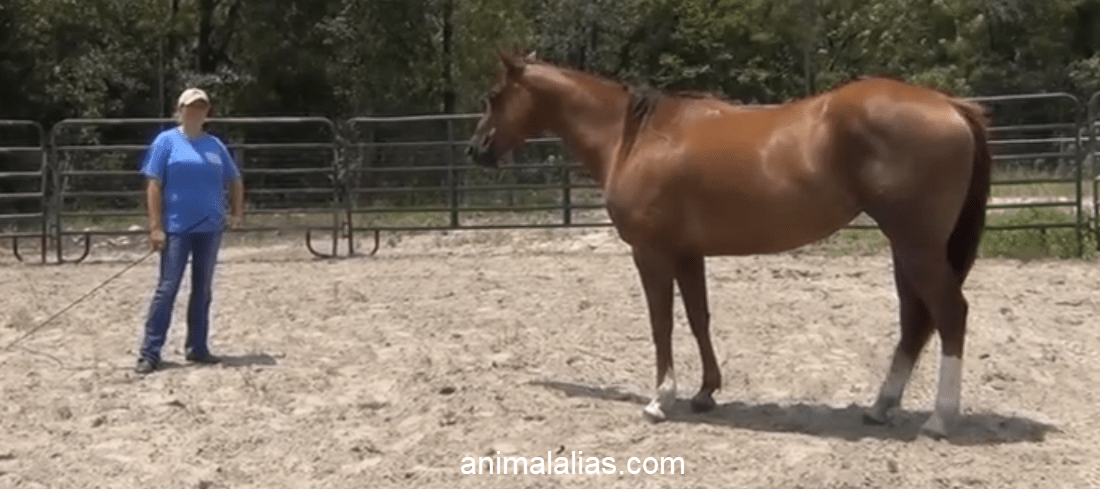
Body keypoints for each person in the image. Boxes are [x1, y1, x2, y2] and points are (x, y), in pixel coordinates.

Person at [135, 87, 245, 374]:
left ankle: (197, 346)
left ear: (208, 112)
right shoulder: (166, 142)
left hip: (210, 227)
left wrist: (236, 212)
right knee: (168, 287)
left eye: (201, 106)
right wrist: (155, 226)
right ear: (180, 109)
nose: (196, 111)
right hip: (176, 228)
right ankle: (150, 351)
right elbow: (154, 185)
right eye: (191, 106)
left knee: (203, 288)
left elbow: (234, 179)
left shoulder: (215, 146)